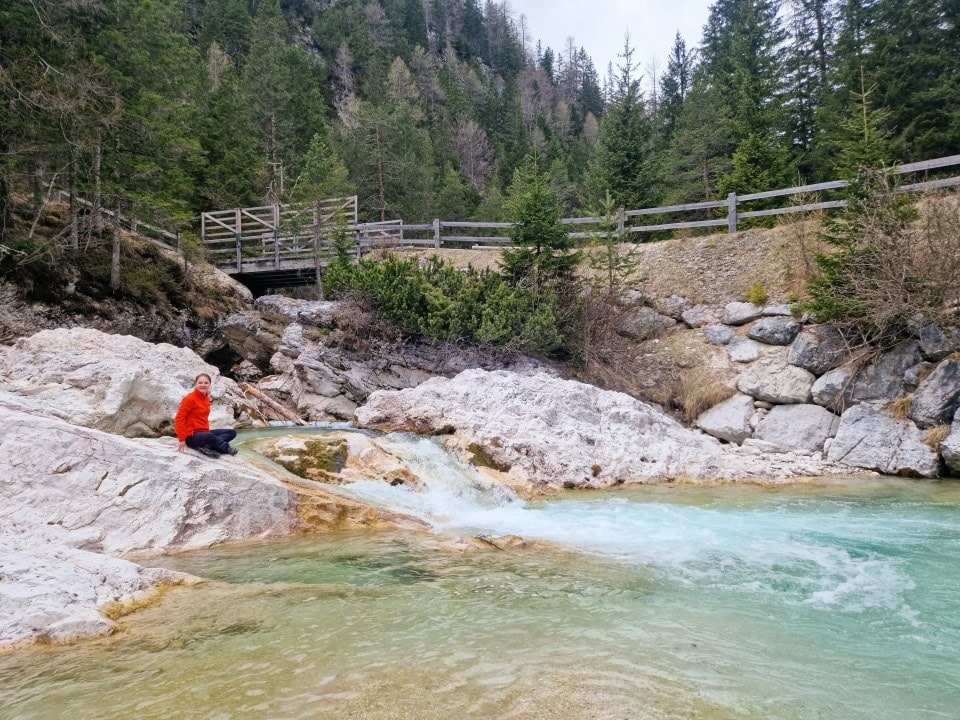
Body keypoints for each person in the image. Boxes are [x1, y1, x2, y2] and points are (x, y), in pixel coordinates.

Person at [175, 373, 238, 458]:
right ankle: (226, 448)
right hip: (191, 435)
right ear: (196, 384)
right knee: (209, 436)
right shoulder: (189, 399)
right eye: (200, 383)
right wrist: (181, 439)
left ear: (209, 384)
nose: (203, 385)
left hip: (204, 433)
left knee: (231, 432)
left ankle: (207, 447)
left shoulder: (206, 398)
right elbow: (179, 418)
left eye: (206, 383)